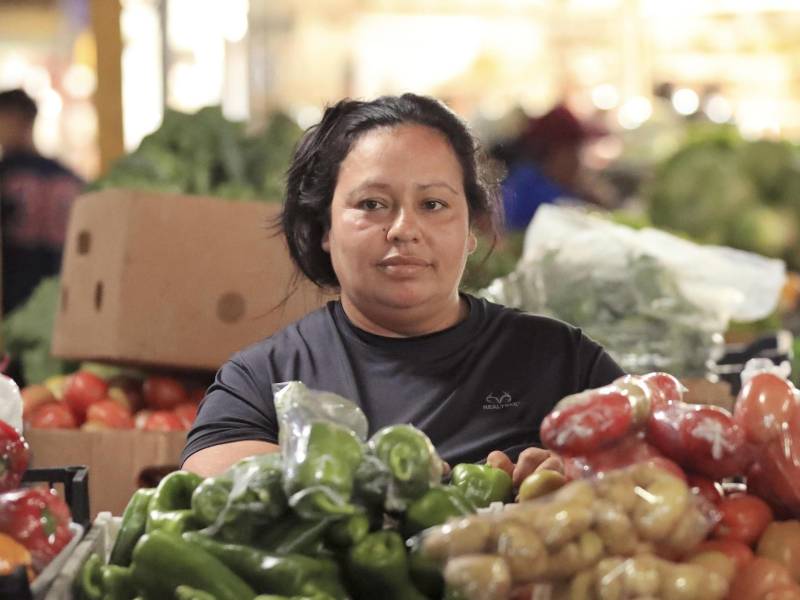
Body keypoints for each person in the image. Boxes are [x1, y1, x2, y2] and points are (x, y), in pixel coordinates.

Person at [181, 93, 624, 484]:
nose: (404, 229)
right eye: (371, 204)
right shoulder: (262, 379)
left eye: (434, 204)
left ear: (471, 227)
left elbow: (661, 478)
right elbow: (210, 480)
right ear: (324, 229)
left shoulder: (567, 365)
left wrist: (581, 481)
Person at [0, 88, 83, 316]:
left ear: (13, 118)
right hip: (62, 299)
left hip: (13, 300)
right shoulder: (69, 176)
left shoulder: (6, 174)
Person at [499, 103, 608, 232]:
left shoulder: (555, 184)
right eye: (572, 152)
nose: (577, 162)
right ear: (552, 153)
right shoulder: (531, 189)